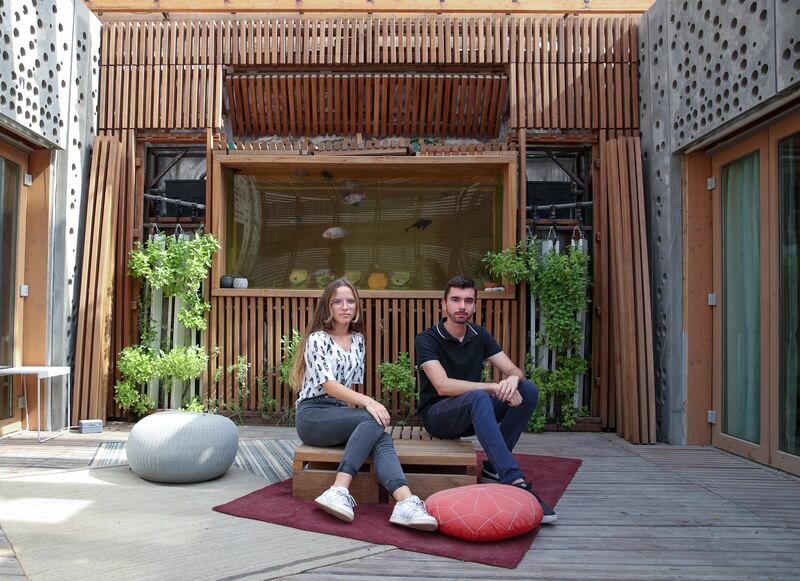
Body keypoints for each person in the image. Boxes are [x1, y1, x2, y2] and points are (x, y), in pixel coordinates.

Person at [291, 277, 438, 530]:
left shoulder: (358, 341)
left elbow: (347, 391)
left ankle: (404, 501)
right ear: (327, 306)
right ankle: (338, 489)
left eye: (350, 301)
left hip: (338, 415)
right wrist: (368, 402)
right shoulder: (317, 339)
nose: (345, 306)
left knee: (378, 429)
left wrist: (361, 416)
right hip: (312, 416)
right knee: (373, 417)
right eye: (338, 301)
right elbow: (329, 385)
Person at [414, 275, 557, 523]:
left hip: (474, 410)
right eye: (456, 300)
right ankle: (515, 479)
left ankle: (493, 467)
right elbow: (442, 386)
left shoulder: (478, 334)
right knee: (479, 396)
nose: (462, 306)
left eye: (468, 301)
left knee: (528, 389)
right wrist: (493, 386)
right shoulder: (427, 338)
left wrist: (513, 379)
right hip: (438, 416)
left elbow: (513, 369)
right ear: (443, 304)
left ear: (475, 305)